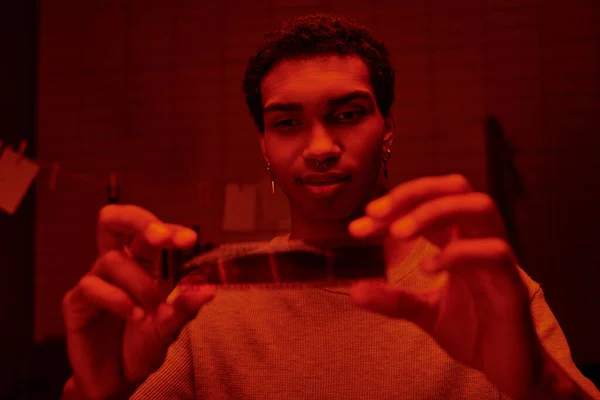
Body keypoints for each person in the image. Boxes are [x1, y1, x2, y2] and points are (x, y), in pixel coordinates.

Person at [61, 13, 600, 400]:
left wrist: (537, 389)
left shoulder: (484, 290)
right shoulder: (203, 304)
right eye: (287, 122)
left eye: (347, 114)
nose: (320, 147)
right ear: (264, 147)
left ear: (387, 130)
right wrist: (95, 393)